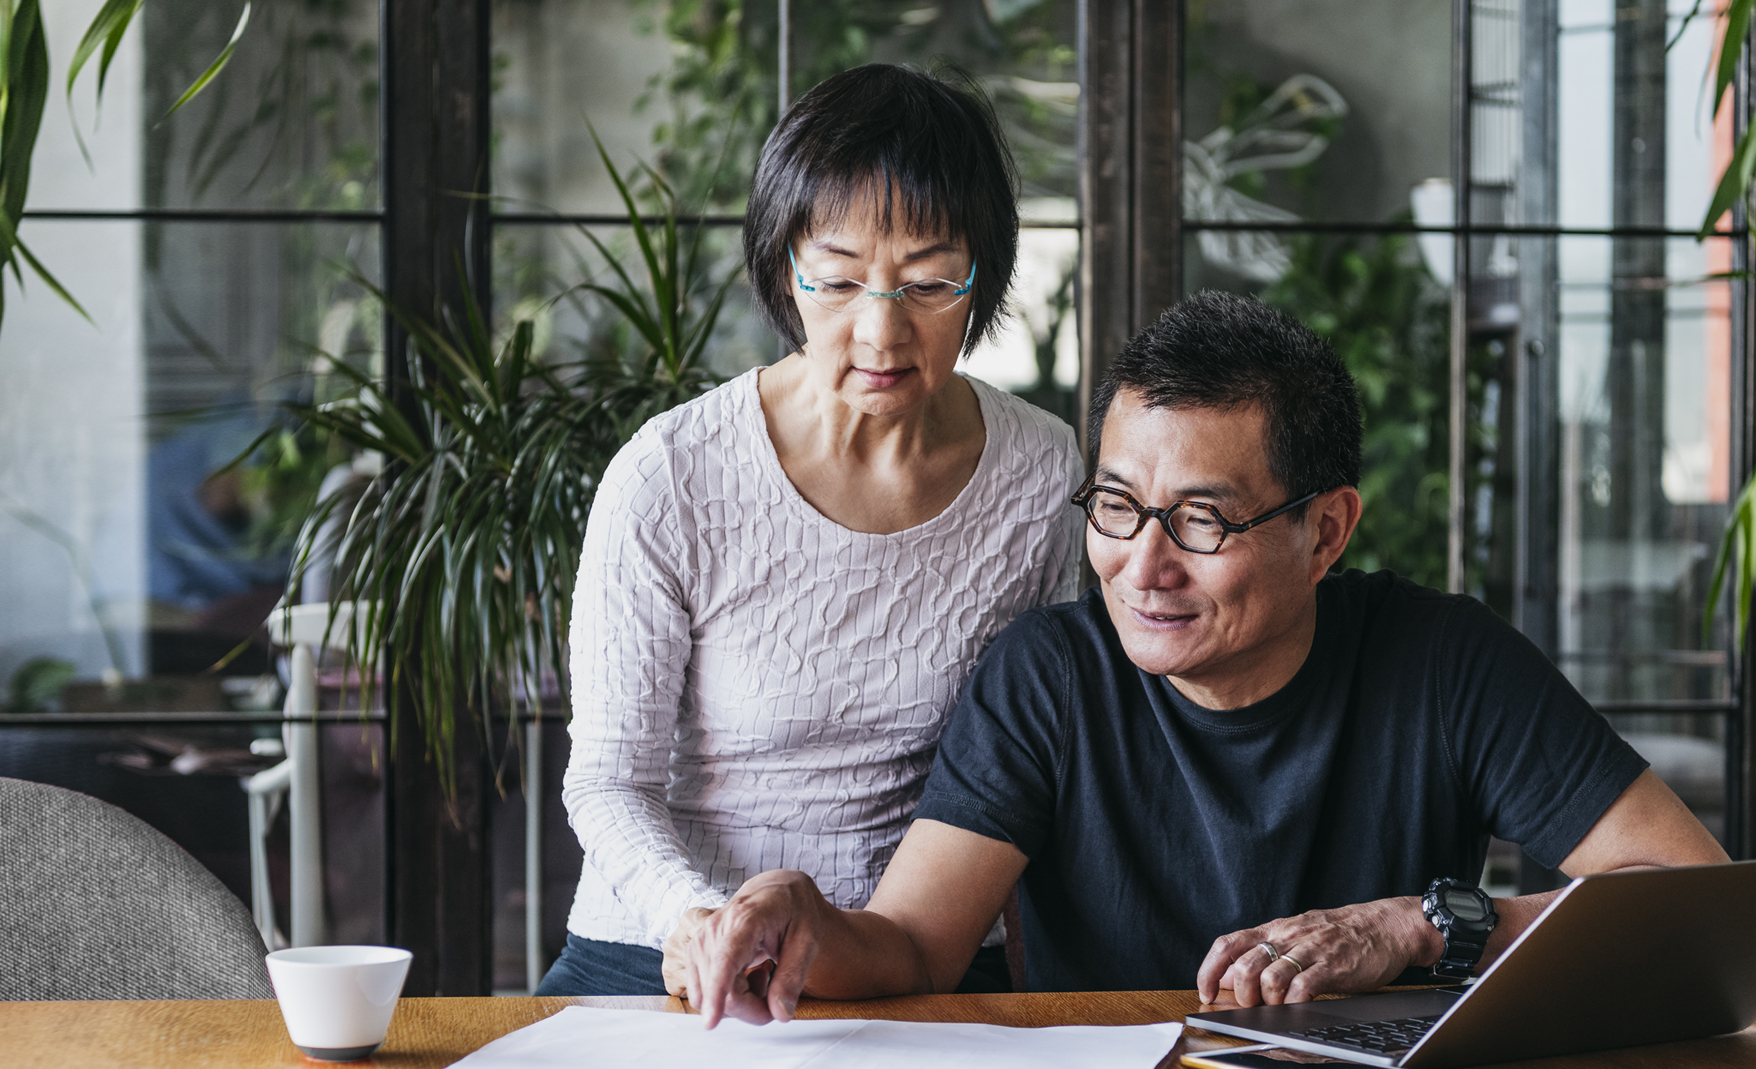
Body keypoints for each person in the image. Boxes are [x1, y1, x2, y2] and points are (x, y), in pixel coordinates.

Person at [678, 291, 1731, 1024]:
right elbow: (913, 945)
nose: (1141, 567)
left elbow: (1707, 912)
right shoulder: (1048, 679)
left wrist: (1418, 926)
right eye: (1118, 507)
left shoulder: (1442, 661)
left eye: (1200, 521)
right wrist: (801, 916)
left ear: (1325, 532)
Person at [535, 64, 1084, 996]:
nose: (881, 333)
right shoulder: (672, 474)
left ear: (982, 272)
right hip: (664, 951)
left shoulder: (1041, 471)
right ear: (784, 269)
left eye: (928, 282)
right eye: (836, 281)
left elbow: (1048, 745)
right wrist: (701, 922)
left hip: (911, 961)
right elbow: (607, 781)